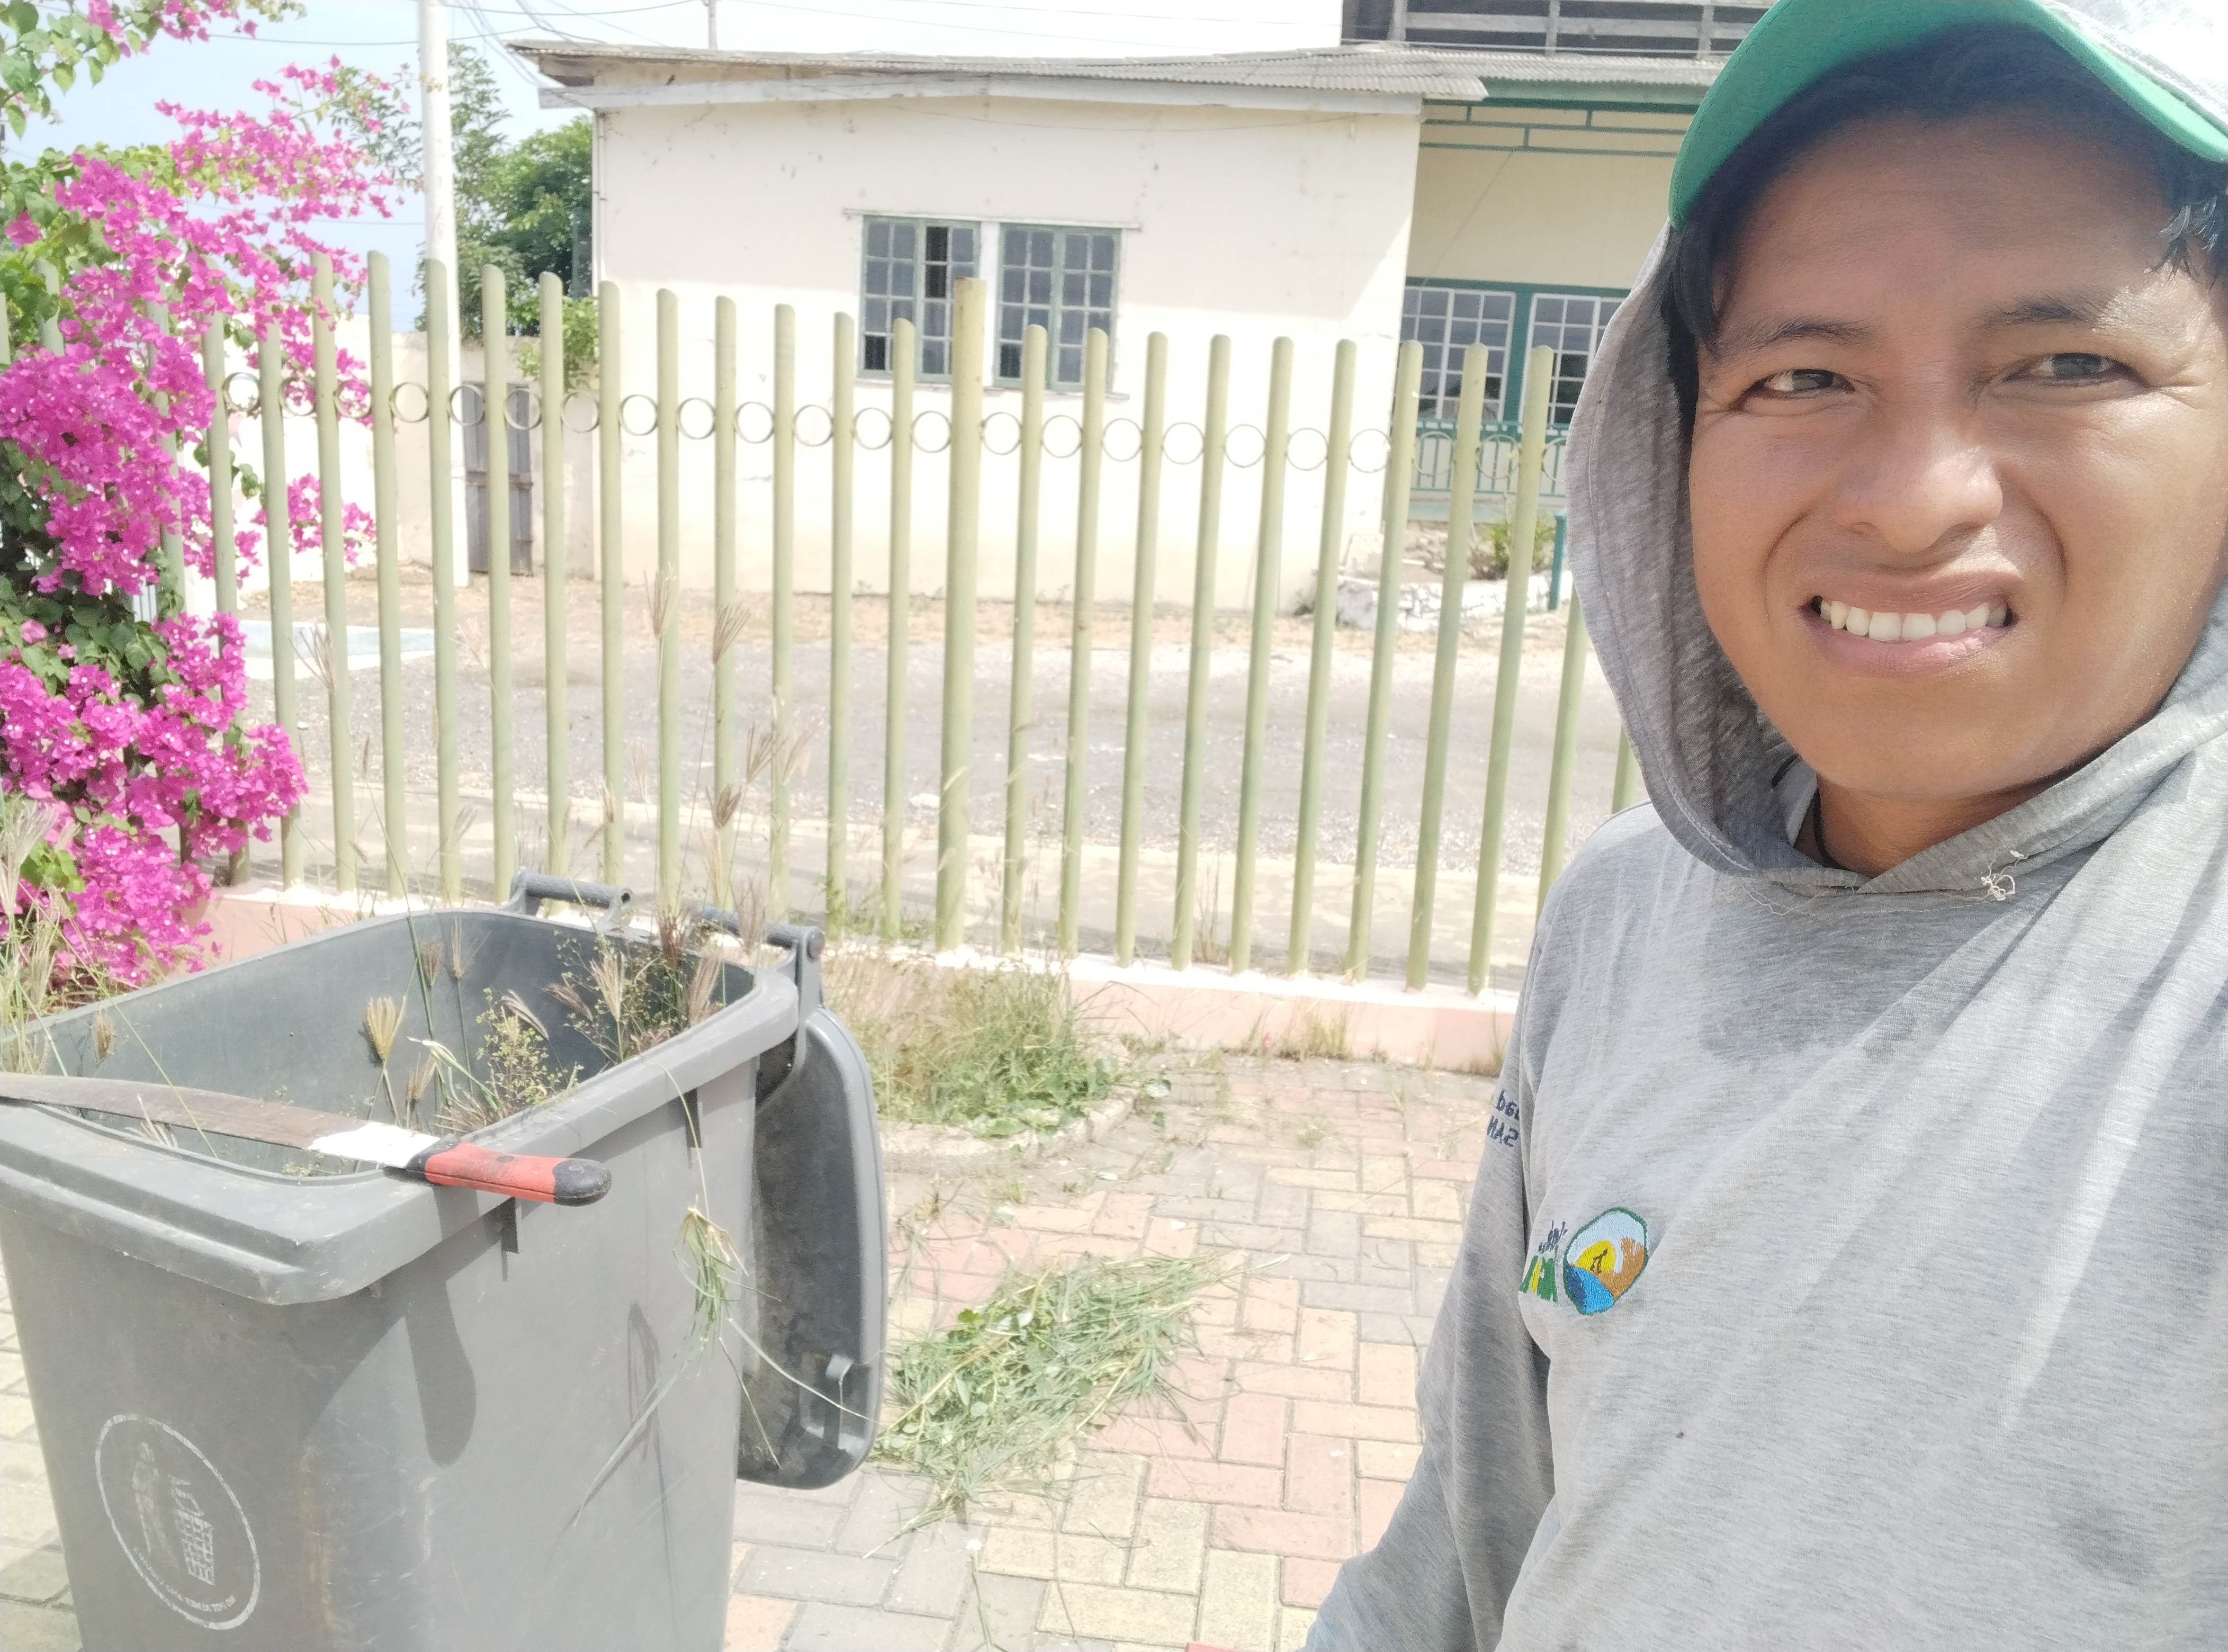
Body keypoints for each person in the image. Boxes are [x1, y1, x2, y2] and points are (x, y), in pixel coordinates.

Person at [1308, 2, 2228, 1646]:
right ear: (1676, 438)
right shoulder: (1624, 913)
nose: (1913, 500)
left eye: (2069, 366)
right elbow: (1467, 1540)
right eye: (1804, 377)